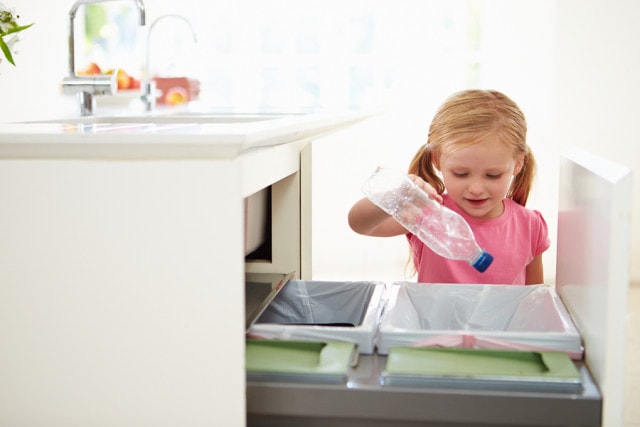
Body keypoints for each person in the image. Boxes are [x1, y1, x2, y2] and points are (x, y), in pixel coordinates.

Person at [348, 89, 550, 285]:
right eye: (461, 174)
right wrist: (400, 193)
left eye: (493, 175)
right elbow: (360, 224)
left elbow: (535, 299)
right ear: (436, 160)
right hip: (434, 321)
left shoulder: (531, 226)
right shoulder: (428, 214)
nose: (476, 188)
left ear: (518, 164)